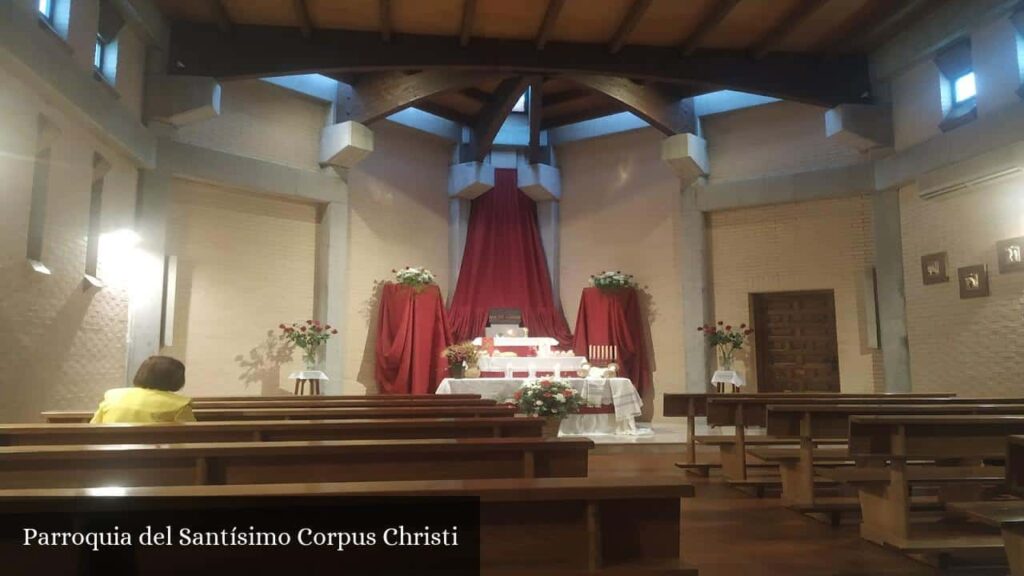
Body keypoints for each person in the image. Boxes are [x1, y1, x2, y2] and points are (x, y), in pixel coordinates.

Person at [90, 356, 196, 423]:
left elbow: (94, 425)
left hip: (109, 454)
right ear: (176, 379)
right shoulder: (179, 404)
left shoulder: (113, 396)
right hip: (155, 457)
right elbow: (190, 435)